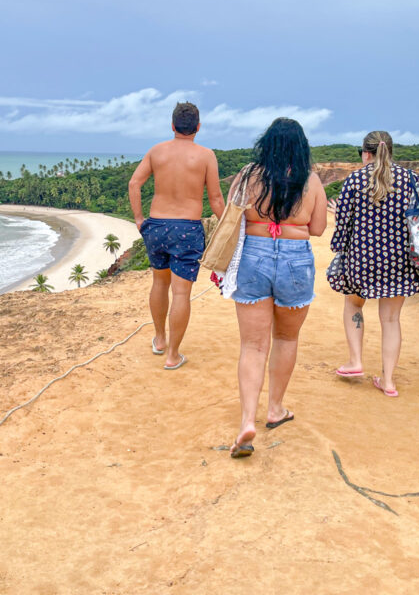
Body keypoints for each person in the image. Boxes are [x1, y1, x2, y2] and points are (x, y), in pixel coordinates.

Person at [229, 118, 327, 458]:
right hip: (295, 259)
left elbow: (232, 217)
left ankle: (246, 421)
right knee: (286, 338)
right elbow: (317, 228)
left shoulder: (247, 176)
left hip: (253, 256)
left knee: (253, 346)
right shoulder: (311, 180)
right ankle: (275, 408)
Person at [329, 131, 419, 397]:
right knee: (390, 320)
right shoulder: (412, 179)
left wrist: (339, 249)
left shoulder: (354, 179)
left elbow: (343, 224)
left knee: (353, 303)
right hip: (399, 260)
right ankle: (388, 382)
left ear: (366, 153)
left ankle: (355, 361)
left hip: (361, 258)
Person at [128, 102, 225, 370]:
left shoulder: (157, 151)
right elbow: (215, 198)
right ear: (198, 127)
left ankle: (159, 339)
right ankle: (172, 355)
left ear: (172, 126)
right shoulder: (206, 156)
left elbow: (134, 183)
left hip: (157, 225)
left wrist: (139, 219)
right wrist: (229, 225)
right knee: (181, 293)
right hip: (187, 228)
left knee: (159, 284)